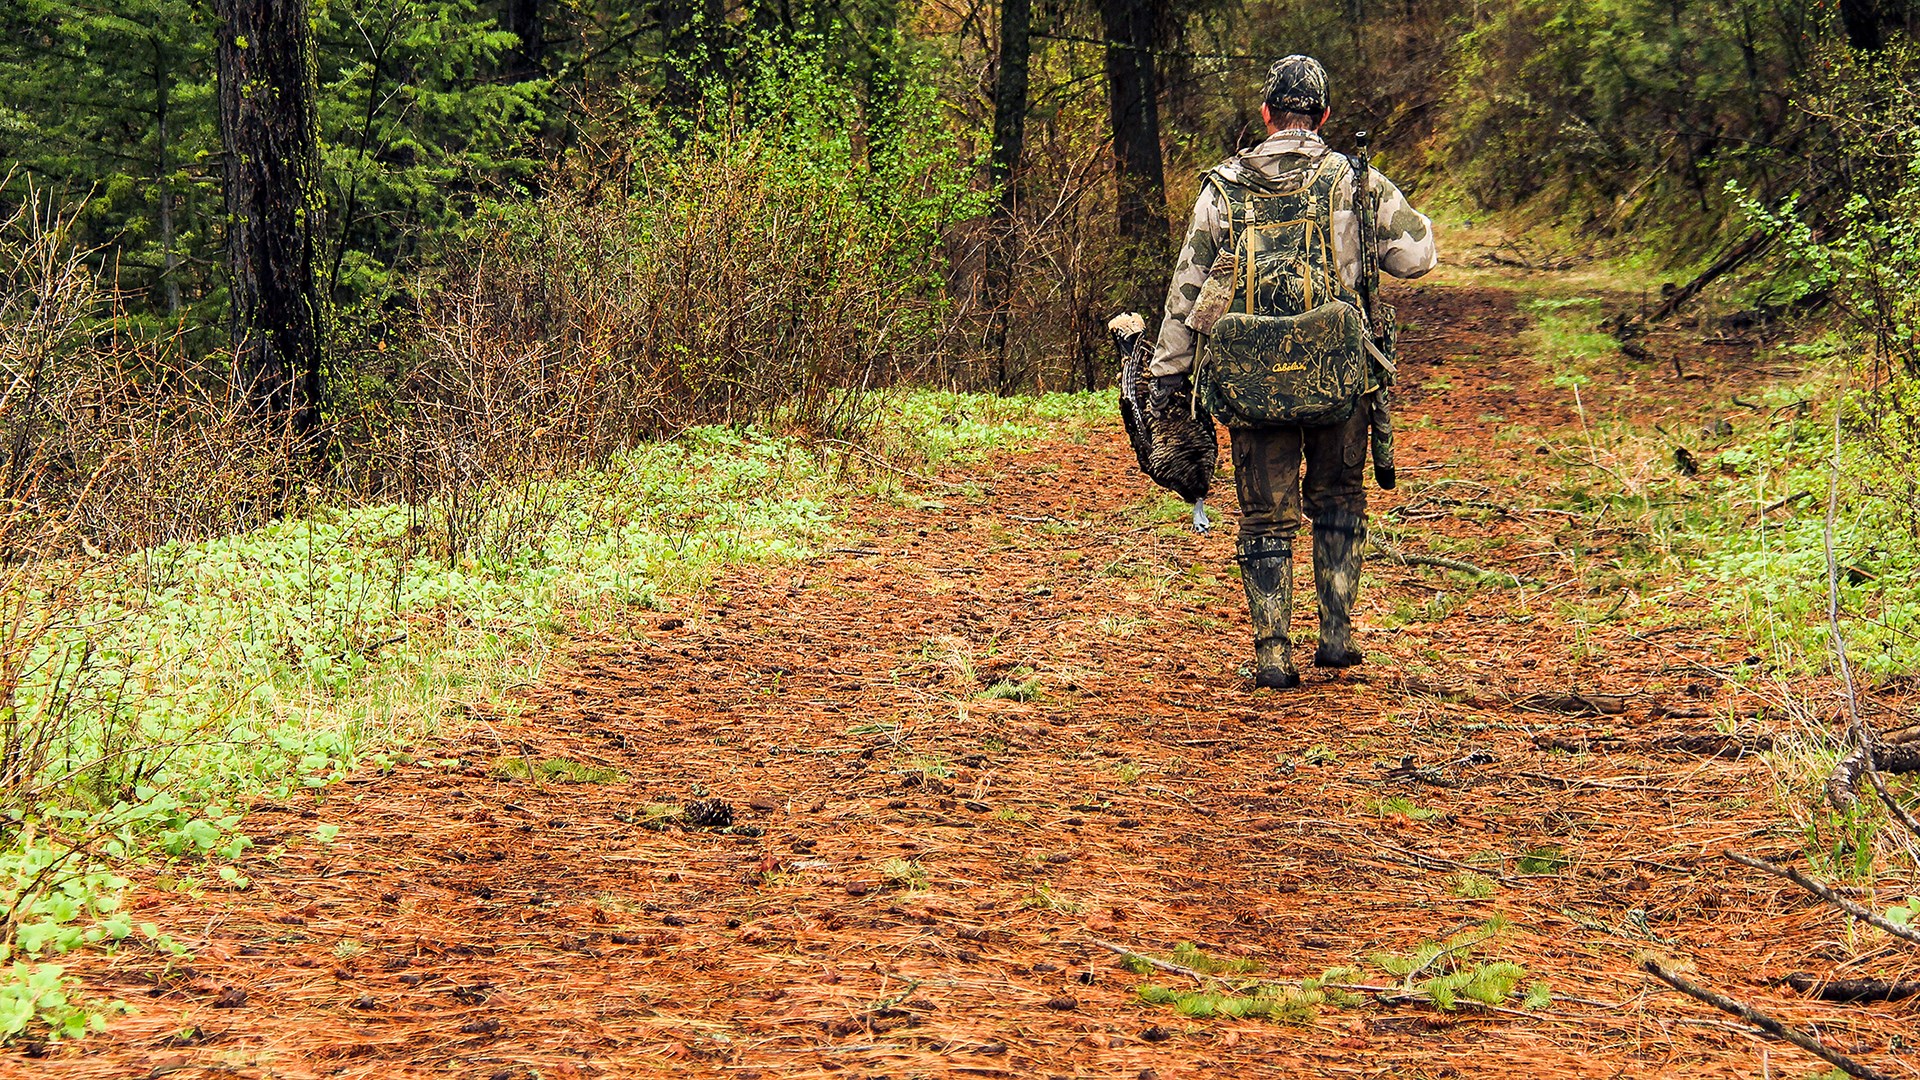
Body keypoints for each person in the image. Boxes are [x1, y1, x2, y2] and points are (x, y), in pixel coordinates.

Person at [1147, 54, 1437, 689]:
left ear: (1265, 114)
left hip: (1251, 379)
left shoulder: (1221, 188)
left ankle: (1273, 652)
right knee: (1338, 498)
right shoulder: (1357, 181)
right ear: (1324, 116)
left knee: (1262, 515)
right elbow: (1417, 257)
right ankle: (1336, 636)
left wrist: (1169, 377)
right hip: (1341, 376)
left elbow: (1186, 288)